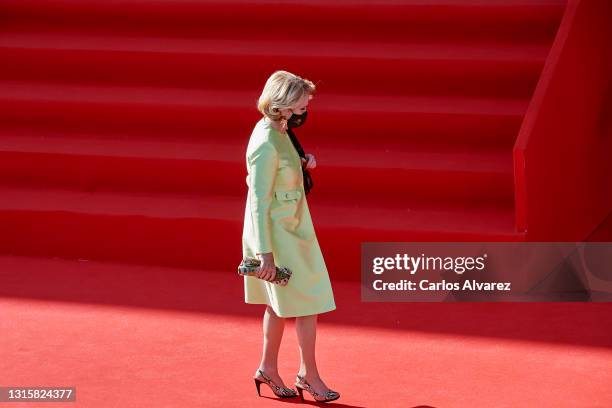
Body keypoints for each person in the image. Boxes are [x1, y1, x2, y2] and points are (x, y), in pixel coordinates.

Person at [242, 70, 340, 403]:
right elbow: (257, 201)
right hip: (280, 236)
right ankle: (308, 375)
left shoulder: (278, 130)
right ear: (284, 103)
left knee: (280, 306)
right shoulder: (265, 141)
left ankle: (268, 368)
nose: (307, 104)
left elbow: (280, 170)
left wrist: (301, 163)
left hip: (293, 226)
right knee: (308, 302)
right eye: (302, 100)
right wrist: (264, 254)